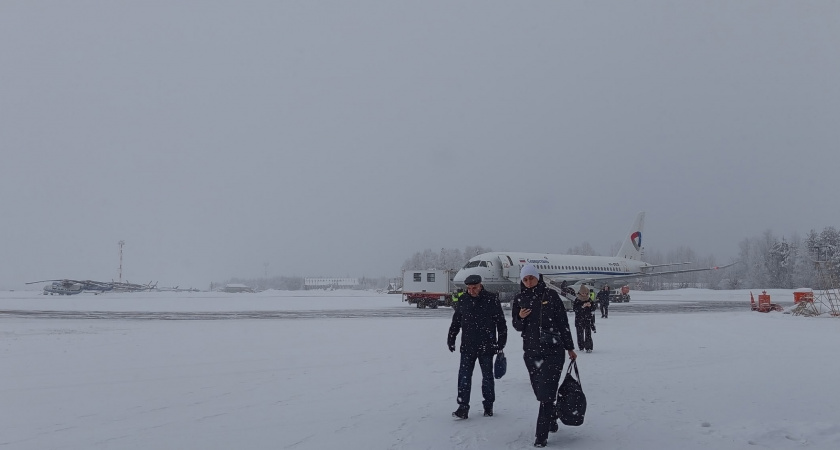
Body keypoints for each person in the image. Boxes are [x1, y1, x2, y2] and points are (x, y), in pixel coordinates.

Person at [511, 264, 576, 448]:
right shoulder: (519, 298)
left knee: (546, 394)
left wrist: (570, 347)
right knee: (540, 392)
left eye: (531, 278)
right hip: (531, 353)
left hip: (553, 351)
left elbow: (563, 323)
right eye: (525, 279)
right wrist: (520, 317)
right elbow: (516, 326)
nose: (529, 282)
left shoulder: (551, 296)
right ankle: (552, 416)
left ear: (537, 278)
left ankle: (541, 436)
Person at [447, 274, 507, 419]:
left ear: (481, 285)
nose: (472, 291)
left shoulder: (491, 299)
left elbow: (501, 322)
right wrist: (451, 338)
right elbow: (456, 321)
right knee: (464, 378)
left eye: (474, 288)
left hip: (487, 346)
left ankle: (488, 406)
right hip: (468, 346)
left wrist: (501, 342)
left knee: (487, 378)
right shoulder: (463, 300)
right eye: (469, 288)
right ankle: (463, 407)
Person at [573, 285, 595, 353]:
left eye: (585, 293)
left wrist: (590, 306)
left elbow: (594, 308)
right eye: (583, 293)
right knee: (580, 334)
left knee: (588, 333)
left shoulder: (589, 299)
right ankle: (581, 346)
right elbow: (575, 309)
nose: (584, 294)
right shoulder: (577, 300)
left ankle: (588, 347)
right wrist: (582, 306)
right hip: (579, 319)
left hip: (587, 318)